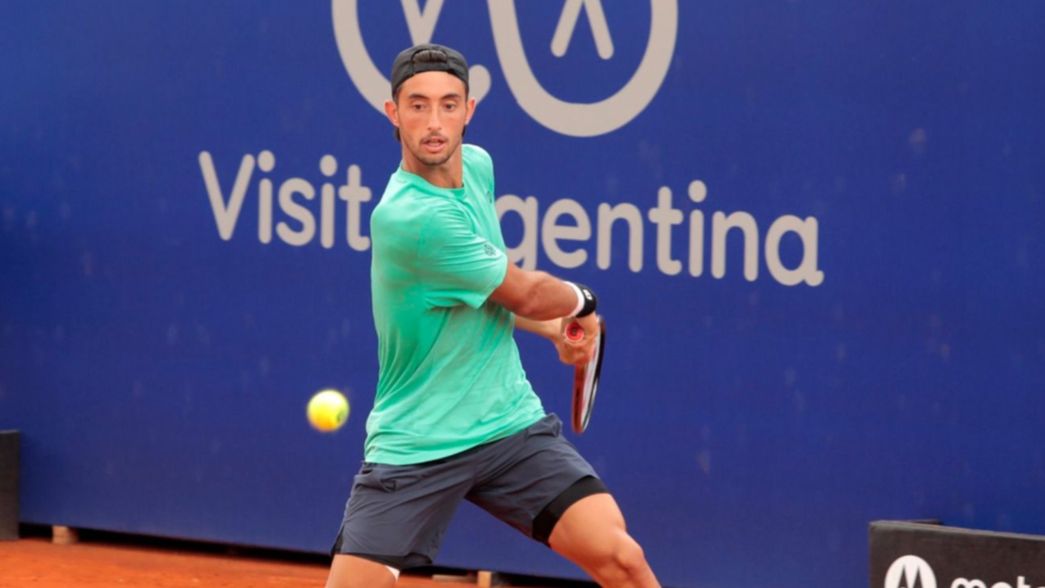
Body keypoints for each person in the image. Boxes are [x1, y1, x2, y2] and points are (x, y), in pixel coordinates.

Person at [325, 43, 660, 588]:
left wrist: (554, 329)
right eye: (417, 105)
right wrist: (582, 303)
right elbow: (523, 291)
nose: (434, 123)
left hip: (507, 424)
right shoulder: (410, 218)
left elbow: (485, 290)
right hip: (418, 444)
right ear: (393, 113)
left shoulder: (477, 167)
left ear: (469, 110)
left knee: (621, 557)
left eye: (448, 105)